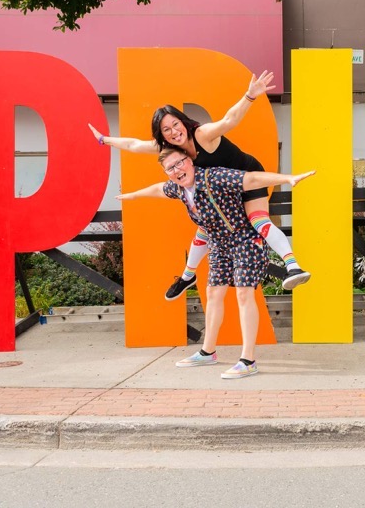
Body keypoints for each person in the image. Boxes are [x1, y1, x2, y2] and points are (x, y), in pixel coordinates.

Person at [89, 70, 310, 301]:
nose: (174, 132)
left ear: (183, 122)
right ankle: (187, 276)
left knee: (258, 221)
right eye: (166, 130)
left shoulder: (202, 134)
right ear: (162, 135)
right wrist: (103, 140)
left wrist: (250, 96)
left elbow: (229, 120)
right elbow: (134, 144)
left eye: (176, 124)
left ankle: (293, 266)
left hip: (247, 177)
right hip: (221, 191)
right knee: (207, 227)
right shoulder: (171, 150)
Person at [117, 146, 315, 379]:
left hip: (245, 238)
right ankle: (207, 352)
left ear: (190, 161)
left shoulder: (214, 177)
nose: (177, 170)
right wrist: (131, 195)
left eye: (180, 162)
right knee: (213, 292)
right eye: (170, 168)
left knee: (244, 293)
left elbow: (251, 178)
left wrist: (287, 178)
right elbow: (157, 189)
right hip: (219, 244)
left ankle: (248, 360)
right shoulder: (178, 189)